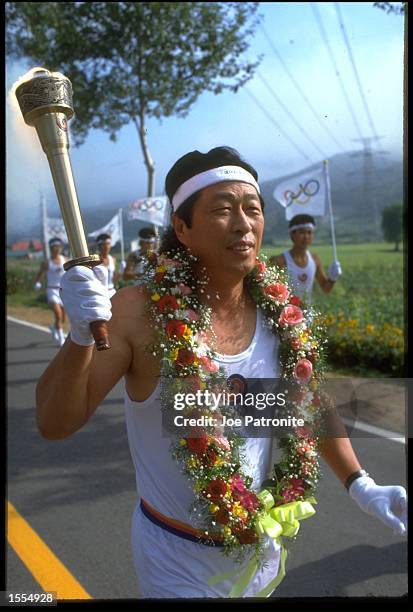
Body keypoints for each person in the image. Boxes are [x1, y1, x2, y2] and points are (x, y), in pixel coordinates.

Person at [36, 147, 406, 598]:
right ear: (182, 228)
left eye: (252, 209)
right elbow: (56, 423)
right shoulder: (138, 312)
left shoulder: (280, 313)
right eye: (222, 209)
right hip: (176, 562)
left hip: (263, 555)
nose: (242, 223)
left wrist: (361, 485)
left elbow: (305, 404)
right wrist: (78, 337)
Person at [269, 214, 342, 302]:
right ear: (292, 234)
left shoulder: (314, 260)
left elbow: (325, 289)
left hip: (308, 314)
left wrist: (332, 278)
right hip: (285, 313)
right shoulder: (279, 260)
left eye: (309, 232)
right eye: (302, 232)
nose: (306, 236)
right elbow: (269, 291)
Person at [34, 237, 67, 347]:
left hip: (63, 291)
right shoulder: (47, 263)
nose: (56, 249)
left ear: (61, 248)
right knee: (58, 315)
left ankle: (54, 327)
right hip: (52, 290)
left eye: (58, 247)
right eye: (54, 247)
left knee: (63, 318)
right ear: (51, 248)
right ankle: (61, 338)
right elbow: (39, 274)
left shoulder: (65, 260)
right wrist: (37, 283)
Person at [95, 233, 118, 298]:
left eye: (108, 244)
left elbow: (113, 279)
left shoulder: (113, 259)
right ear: (99, 246)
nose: (106, 247)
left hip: (112, 291)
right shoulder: (94, 261)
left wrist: (121, 273)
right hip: (100, 293)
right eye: (104, 245)